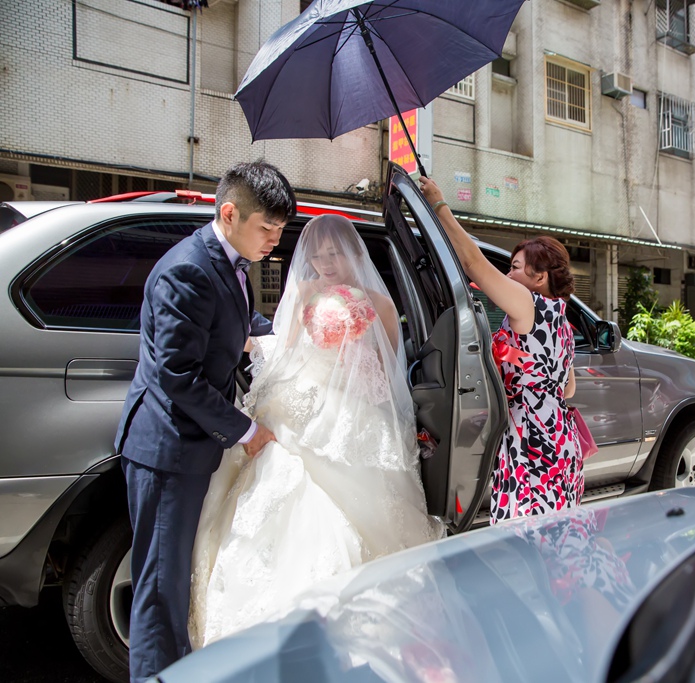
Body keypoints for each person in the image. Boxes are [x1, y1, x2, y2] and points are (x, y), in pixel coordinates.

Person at [188, 214, 444, 647]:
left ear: (353, 254)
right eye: (317, 254)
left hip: (357, 411)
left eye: (334, 253)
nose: (325, 262)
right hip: (302, 404)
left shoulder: (380, 305)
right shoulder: (303, 293)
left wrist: (356, 373)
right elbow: (286, 352)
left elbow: (388, 371)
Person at [114, 161, 296, 682]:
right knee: (160, 585)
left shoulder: (228, 264)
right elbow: (177, 375)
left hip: (188, 445)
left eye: (280, 231)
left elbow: (232, 325)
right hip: (166, 449)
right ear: (229, 212)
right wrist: (245, 430)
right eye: (266, 228)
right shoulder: (188, 269)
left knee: (175, 580)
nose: (273, 240)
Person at [418, 176, 580, 524]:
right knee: (554, 532)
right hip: (561, 439)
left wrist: (439, 205)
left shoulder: (526, 304)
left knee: (524, 532)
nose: (508, 274)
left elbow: (475, 263)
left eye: (516, 268)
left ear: (539, 278)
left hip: (531, 442)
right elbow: (568, 389)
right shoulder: (562, 321)